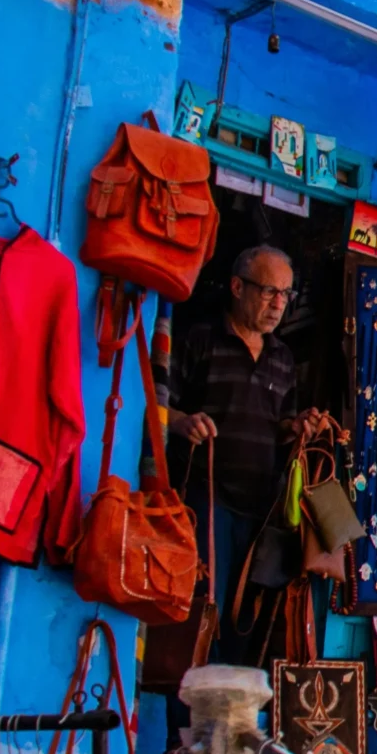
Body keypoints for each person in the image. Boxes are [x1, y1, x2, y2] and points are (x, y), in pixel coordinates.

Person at [161, 243, 329, 658]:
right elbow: (157, 403)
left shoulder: (282, 358)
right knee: (201, 609)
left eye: (286, 295)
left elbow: (279, 429)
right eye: (270, 292)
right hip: (206, 499)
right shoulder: (200, 340)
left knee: (245, 620)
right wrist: (181, 422)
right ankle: (190, 720)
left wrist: (298, 428)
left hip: (259, 509)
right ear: (237, 287)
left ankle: (233, 717)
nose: (279, 305)